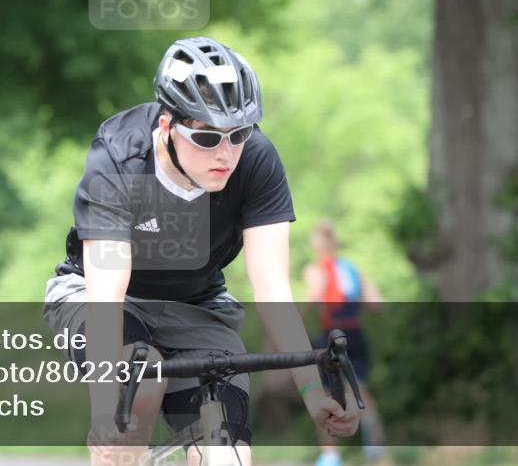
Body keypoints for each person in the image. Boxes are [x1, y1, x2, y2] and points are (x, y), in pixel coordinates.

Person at [43, 37, 360, 466]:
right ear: (167, 126)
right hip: (100, 296)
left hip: (198, 306)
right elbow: (107, 296)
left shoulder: (256, 160)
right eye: (207, 138)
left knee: (228, 456)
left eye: (239, 135)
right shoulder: (119, 155)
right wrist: (104, 412)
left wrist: (313, 393)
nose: (226, 154)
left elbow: (271, 286)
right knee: (143, 381)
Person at [302, 220, 386, 466]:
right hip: (357, 334)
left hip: (332, 337)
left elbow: (315, 294)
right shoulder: (352, 268)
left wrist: (293, 320)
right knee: (361, 392)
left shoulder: (316, 269)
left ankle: (330, 457)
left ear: (317, 246)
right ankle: (375, 449)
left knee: (328, 395)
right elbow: (376, 305)